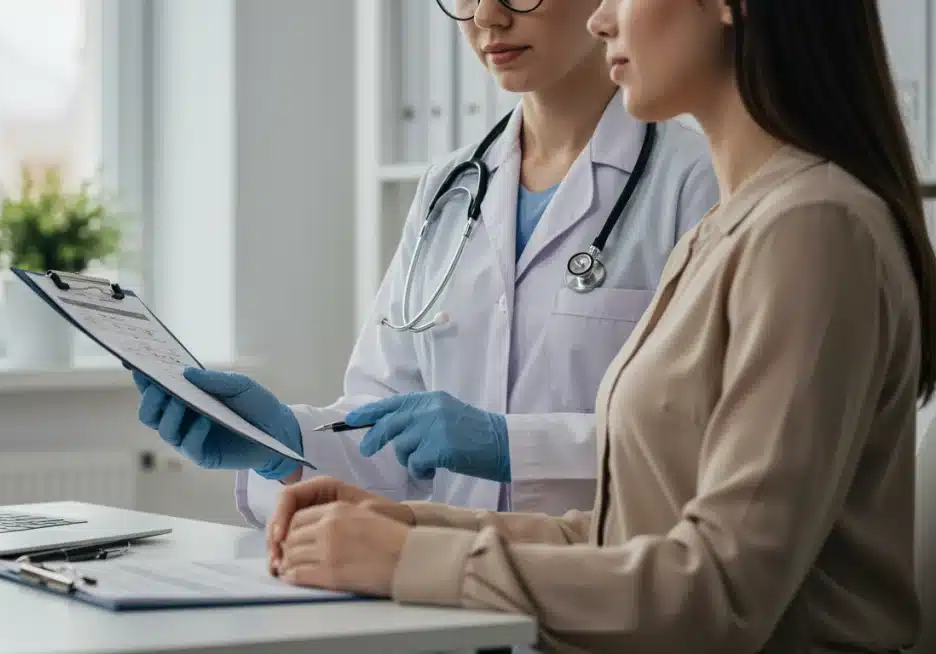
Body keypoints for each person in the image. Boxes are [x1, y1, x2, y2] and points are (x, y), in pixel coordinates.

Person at [264, 0, 936, 652]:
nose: (602, 18)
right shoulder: (730, 227)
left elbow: (720, 591)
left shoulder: (810, 228)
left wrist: (413, 561)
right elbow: (628, 535)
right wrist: (411, 523)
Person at [133, 0, 718, 525]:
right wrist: (281, 441)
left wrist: (511, 444)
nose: (487, 16)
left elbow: (703, 432)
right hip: (450, 594)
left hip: (610, 600)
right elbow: (387, 420)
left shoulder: (699, 181)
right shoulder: (450, 187)